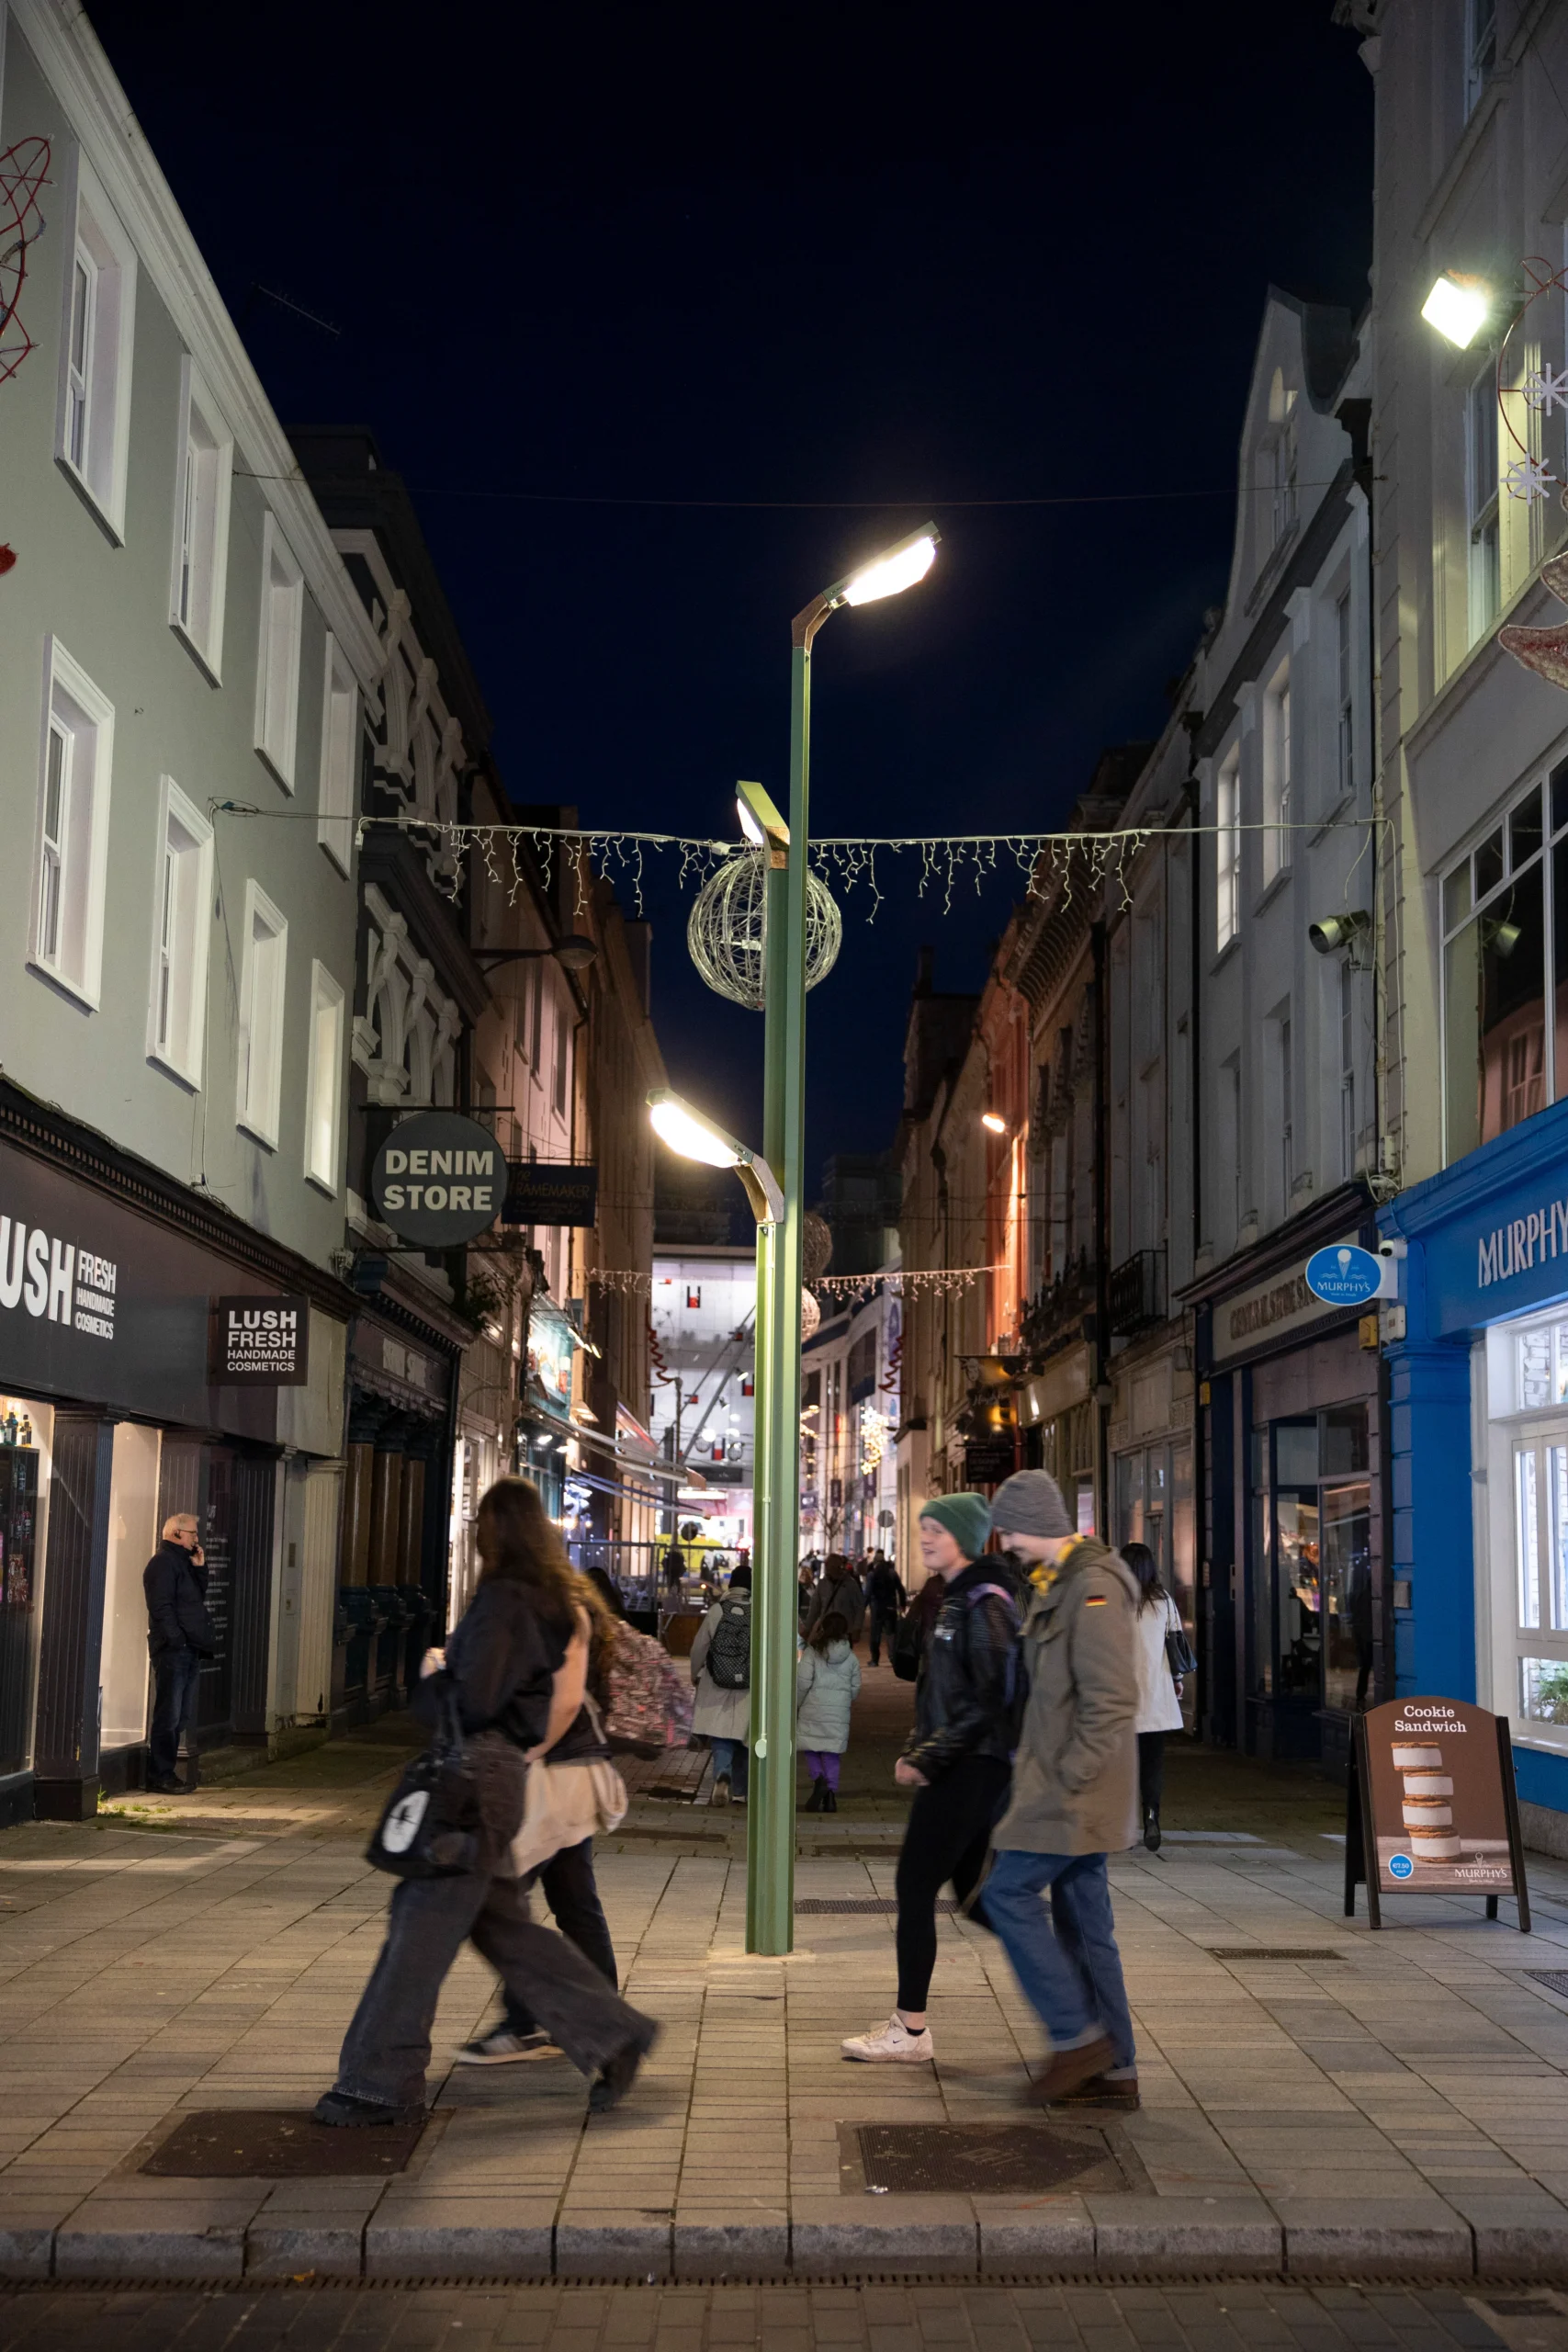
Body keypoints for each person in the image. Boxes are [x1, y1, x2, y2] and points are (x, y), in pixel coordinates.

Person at [315, 1477, 657, 2126]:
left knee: (419, 1928)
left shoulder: (504, 1599)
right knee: (500, 1923)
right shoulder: (560, 1599)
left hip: (472, 1778)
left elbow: (476, 1700)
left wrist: (432, 1677)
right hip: (496, 1779)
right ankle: (612, 2033)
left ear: (492, 1532)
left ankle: (376, 2082)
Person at [983, 1468, 1140, 2109]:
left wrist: (1069, 1777)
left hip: (1074, 1792)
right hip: (1062, 1785)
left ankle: (1075, 2037)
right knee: (1082, 1924)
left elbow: (1110, 1700)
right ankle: (1116, 2072)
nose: (1007, 1542)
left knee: (1005, 1892)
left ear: (1038, 1525)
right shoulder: (1055, 1585)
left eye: (1011, 1530)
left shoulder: (1092, 1587)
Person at [841, 1494, 1016, 2065]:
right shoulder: (958, 1598)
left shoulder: (985, 1601)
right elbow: (943, 1692)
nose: (925, 1538)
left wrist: (930, 1756)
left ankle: (910, 2031)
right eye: (923, 1529)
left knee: (916, 1887)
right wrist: (919, 1746)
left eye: (937, 1530)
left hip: (969, 1769)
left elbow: (989, 1698)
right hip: (961, 1765)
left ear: (965, 1536)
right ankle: (1067, 1973)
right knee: (977, 1898)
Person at [457, 1570, 622, 2064]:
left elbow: (564, 1701)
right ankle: (600, 2017)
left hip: (558, 1776)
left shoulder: (557, 1613)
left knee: (507, 1898)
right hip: (574, 1775)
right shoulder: (579, 1613)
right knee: (573, 1901)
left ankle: (525, 2022)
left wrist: (528, 1753)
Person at [142, 1513, 216, 1793]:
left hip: (188, 1647)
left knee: (181, 1715)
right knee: (169, 1714)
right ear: (176, 1533)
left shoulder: (183, 1562)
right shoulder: (162, 1563)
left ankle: (166, 1772)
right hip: (174, 1650)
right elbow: (160, 1607)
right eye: (192, 1534)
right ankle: (160, 1774)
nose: (196, 1539)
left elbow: (194, 1600)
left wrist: (200, 1568)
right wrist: (177, 1640)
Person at [1122, 1539, 1183, 1854]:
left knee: (1122, 1763)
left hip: (1119, 1698)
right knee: (1153, 1762)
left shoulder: (1113, 1600)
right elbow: (1175, 1647)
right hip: (1155, 1696)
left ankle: (1124, 1826)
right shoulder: (1163, 1601)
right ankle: (1151, 1814)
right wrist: (1177, 1680)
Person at [692, 1563, 751, 1806]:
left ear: (731, 1585)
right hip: (748, 1685)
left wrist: (695, 1672)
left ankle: (721, 1774)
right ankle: (740, 1791)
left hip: (717, 1681)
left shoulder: (718, 1610)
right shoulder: (760, 1612)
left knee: (720, 1735)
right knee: (744, 1737)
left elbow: (699, 1647)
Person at [796, 1609, 862, 1813]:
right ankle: (830, 1796)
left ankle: (819, 1780)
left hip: (813, 1708)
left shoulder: (812, 1652)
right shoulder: (851, 1657)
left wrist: (797, 1704)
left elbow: (802, 1682)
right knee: (832, 1754)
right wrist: (843, 1700)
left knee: (811, 1746)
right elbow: (855, 1687)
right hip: (838, 1712)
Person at [806, 1553, 866, 1643]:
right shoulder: (823, 1584)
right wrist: (808, 1628)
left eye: (830, 1565)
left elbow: (859, 1608)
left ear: (838, 1566)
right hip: (826, 1629)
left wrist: (857, 1629)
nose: (827, 1567)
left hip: (844, 1631)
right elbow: (814, 1608)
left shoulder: (850, 1584)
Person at [863, 1554, 906, 1668]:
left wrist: (863, 1607)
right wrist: (903, 1604)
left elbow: (867, 1593)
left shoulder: (872, 1575)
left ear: (875, 1563)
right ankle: (892, 1657)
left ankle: (875, 1659)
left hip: (877, 1608)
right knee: (891, 1633)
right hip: (890, 1607)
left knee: (875, 1634)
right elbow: (901, 1589)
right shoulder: (892, 1573)